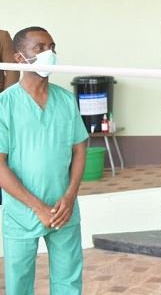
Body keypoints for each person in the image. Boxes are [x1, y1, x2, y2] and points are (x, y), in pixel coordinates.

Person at [0, 27, 88, 294]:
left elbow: (80, 150)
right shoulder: (5, 104)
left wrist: (70, 195)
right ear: (18, 57)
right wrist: (37, 207)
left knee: (69, 282)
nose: (48, 53)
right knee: (19, 283)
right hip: (22, 212)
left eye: (51, 47)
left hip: (64, 208)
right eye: (39, 48)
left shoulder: (65, 100)